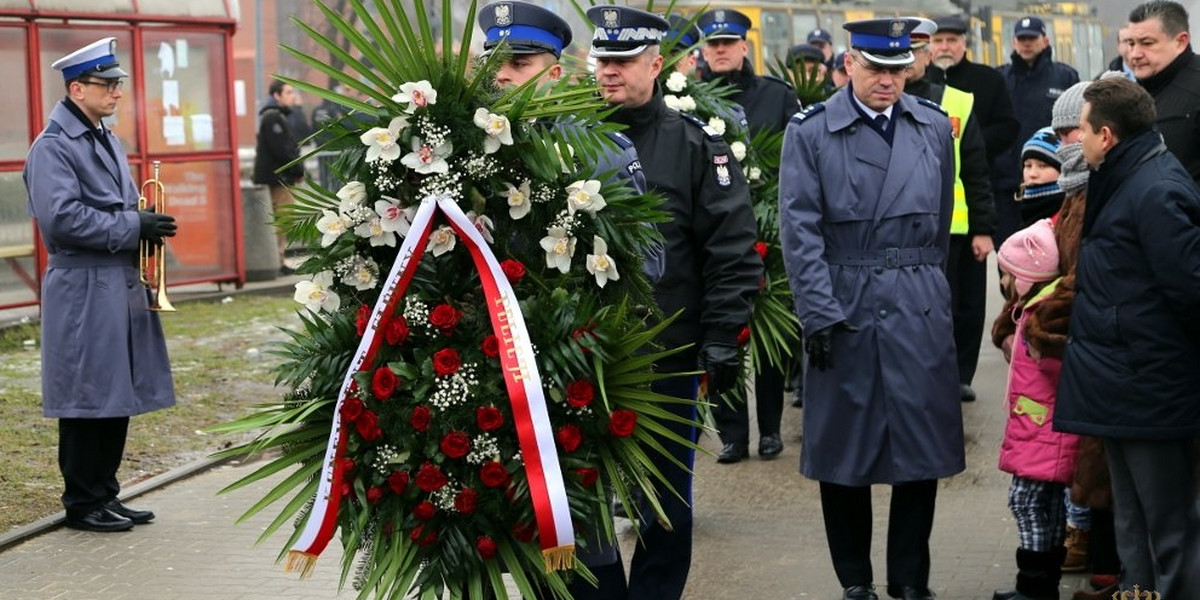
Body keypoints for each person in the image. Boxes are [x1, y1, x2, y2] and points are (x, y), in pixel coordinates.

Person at [779, 18, 964, 600]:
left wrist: (926, 288)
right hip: (845, 299)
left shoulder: (933, 127)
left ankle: (910, 580)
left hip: (915, 301)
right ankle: (855, 581)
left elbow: (936, 225)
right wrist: (819, 313)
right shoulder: (810, 132)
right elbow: (799, 230)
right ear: (850, 64)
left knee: (921, 452)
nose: (888, 81)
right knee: (844, 454)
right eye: (875, 68)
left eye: (898, 69)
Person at [588, 5, 762, 598]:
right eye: (602, 60)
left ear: (655, 64)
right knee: (585, 502)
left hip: (666, 351)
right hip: (583, 356)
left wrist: (721, 334)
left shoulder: (694, 145)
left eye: (624, 61)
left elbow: (731, 246)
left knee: (665, 503)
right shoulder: (568, 142)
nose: (610, 72)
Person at [1055, 76, 1200, 599]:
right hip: (1121, 384)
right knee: (1132, 526)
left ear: (1107, 135)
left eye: (1080, 131)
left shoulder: (1156, 190)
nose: (1073, 140)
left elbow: (1191, 290)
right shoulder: (1122, 176)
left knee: (1170, 530)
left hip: (1151, 387)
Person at [23, 37, 176, 533]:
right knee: (87, 396)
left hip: (117, 281)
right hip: (83, 285)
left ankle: (105, 493)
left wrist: (146, 222)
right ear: (76, 88)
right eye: (107, 86)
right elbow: (62, 221)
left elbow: (120, 205)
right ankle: (82, 502)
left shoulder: (105, 137)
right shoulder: (52, 147)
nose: (116, 93)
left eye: (117, 85)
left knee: (116, 393)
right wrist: (134, 228)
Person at [927, 13, 1020, 401]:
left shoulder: (984, 82)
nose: (944, 47)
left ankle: (963, 374)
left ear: (964, 43)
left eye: (952, 40)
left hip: (969, 213)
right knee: (935, 301)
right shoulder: (914, 89)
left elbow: (1007, 127)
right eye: (939, 41)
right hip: (929, 218)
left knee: (967, 304)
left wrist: (976, 140)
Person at [905, 17, 996, 411]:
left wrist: (983, 228)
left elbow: (976, 170)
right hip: (906, 229)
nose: (906, 62)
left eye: (914, 53)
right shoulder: (882, 100)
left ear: (928, 58)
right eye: (899, 54)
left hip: (956, 228)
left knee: (962, 306)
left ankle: (960, 375)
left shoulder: (957, 101)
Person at [989, 213, 1079, 600]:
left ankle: (1035, 586)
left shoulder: (1043, 317)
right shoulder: (1035, 309)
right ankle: (1043, 585)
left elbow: (1055, 368)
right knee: (1049, 505)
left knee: (1025, 501)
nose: (1004, 284)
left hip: (1044, 433)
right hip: (1041, 432)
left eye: (1008, 275)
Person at [994, 17, 1080, 246]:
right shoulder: (1000, 79)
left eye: (1032, 38)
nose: (1026, 43)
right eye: (1022, 39)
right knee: (1012, 256)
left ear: (1045, 40)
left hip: (1054, 186)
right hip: (1009, 187)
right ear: (1013, 42)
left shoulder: (1065, 77)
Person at [1126, 0, 1200, 182]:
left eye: (1147, 43)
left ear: (1180, 42)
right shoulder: (1130, 93)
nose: (1135, 54)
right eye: (1131, 43)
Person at [696, 8, 799, 135]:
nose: (720, 49)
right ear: (704, 53)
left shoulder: (778, 95)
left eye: (728, 42)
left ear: (745, 48)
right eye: (713, 43)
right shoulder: (691, 99)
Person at [252, 78, 306, 274]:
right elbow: (282, 150)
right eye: (289, 93)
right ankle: (278, 260)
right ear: (277, 96)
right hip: (278, 180)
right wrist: (298, 169)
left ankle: (279, 259)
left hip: (280, 178)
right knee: (283, 218)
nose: (293, 97)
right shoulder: (272, 117)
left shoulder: (277, 116)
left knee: (283, 219)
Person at [1013, 128, 1065, 226]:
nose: (1032, 174)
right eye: (1028, 166)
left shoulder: (1069, 216)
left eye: (1043, 166)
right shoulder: (1023, 211)